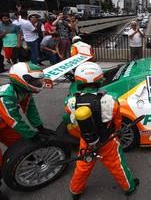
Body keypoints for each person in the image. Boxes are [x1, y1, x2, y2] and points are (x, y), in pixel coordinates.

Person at [64, 62, 139, 199]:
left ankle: (75, 191)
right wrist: (116, 132)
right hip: (108, 141)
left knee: (82, 166)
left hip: (86, 141)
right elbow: (117, 121)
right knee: (117, 166)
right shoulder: (111, 100)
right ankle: (129, 188)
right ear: (99, 79)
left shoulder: (71, 102)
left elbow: (72, 122)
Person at [0, 62, 53, 199]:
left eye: (38, 79)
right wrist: (32, 134)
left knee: (21, 143)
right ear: (21, 79)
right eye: (34, 80)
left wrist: (40, 128)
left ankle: (30, 159)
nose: (38, 82)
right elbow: (14, 120)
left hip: (4, 124)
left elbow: (30, 110)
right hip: (7, 121)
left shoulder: (24, 91)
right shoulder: (6, 95)